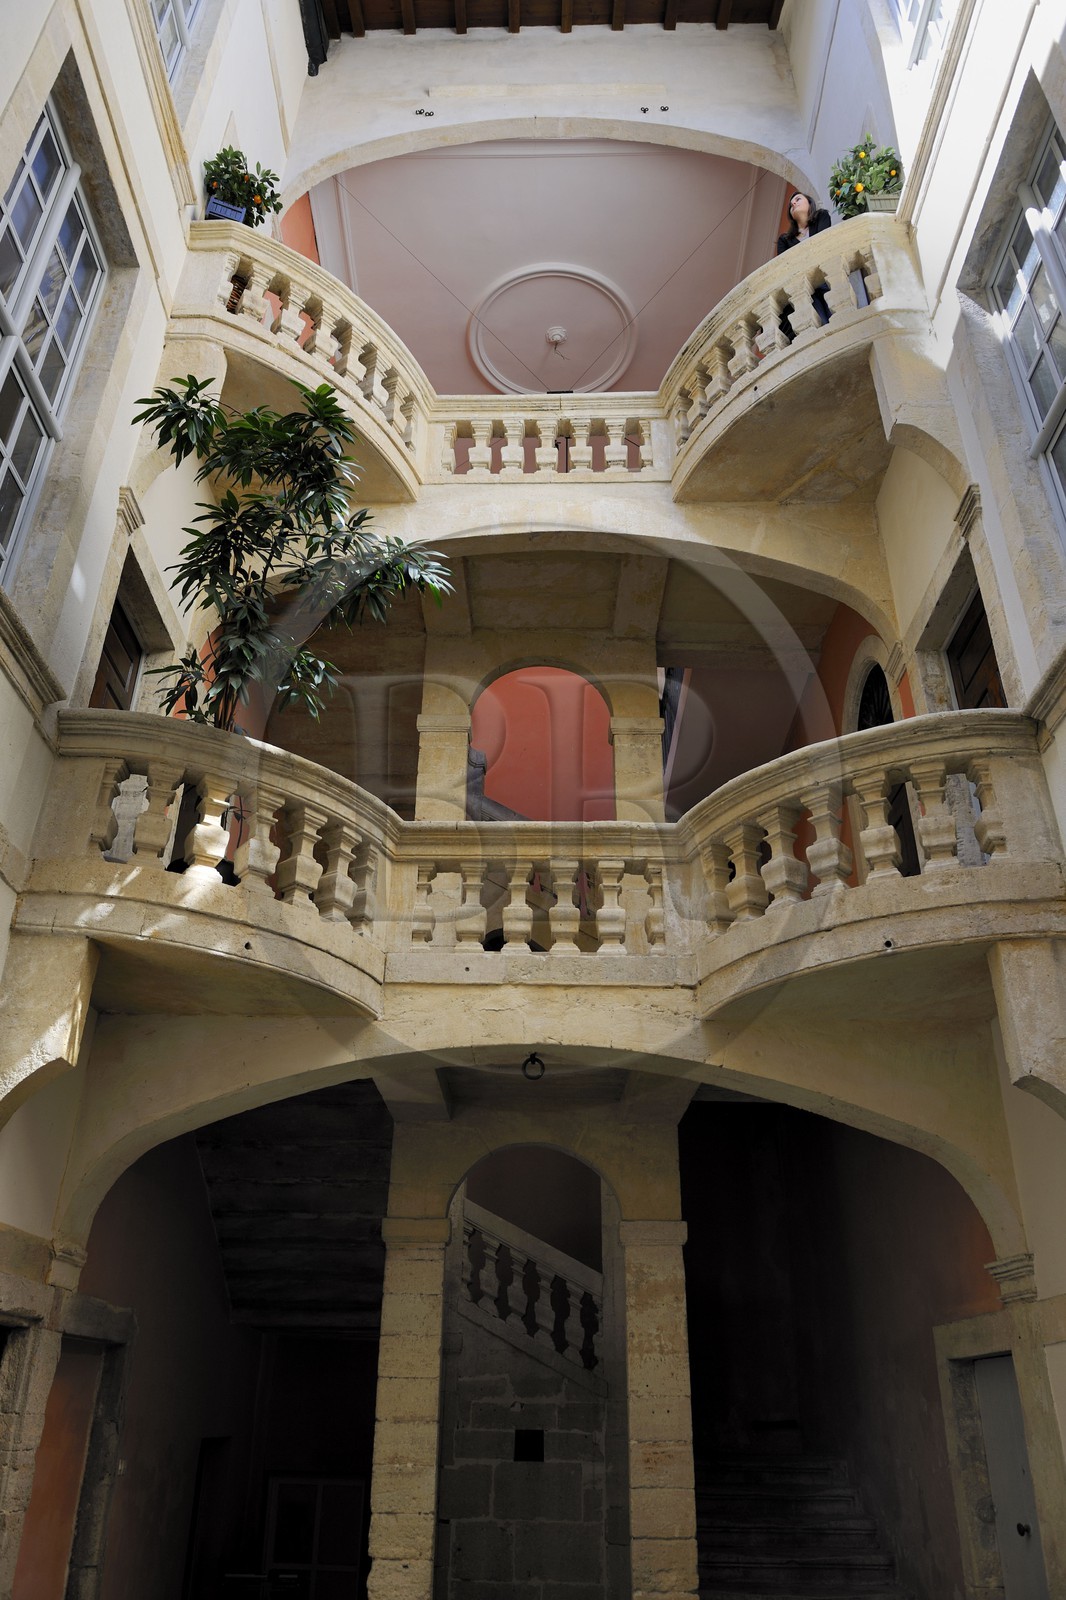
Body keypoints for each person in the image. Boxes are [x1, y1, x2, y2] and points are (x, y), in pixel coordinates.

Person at [775, 192, 833, 336]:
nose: (793, 203)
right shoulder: (785, 239)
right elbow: (786, 265)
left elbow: (822, 244)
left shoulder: (821, 216)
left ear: (809, 202)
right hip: (806, 288)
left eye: (798, 199)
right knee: (821, 323)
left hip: (826, 279)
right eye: (790, 205)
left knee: (835, 314)